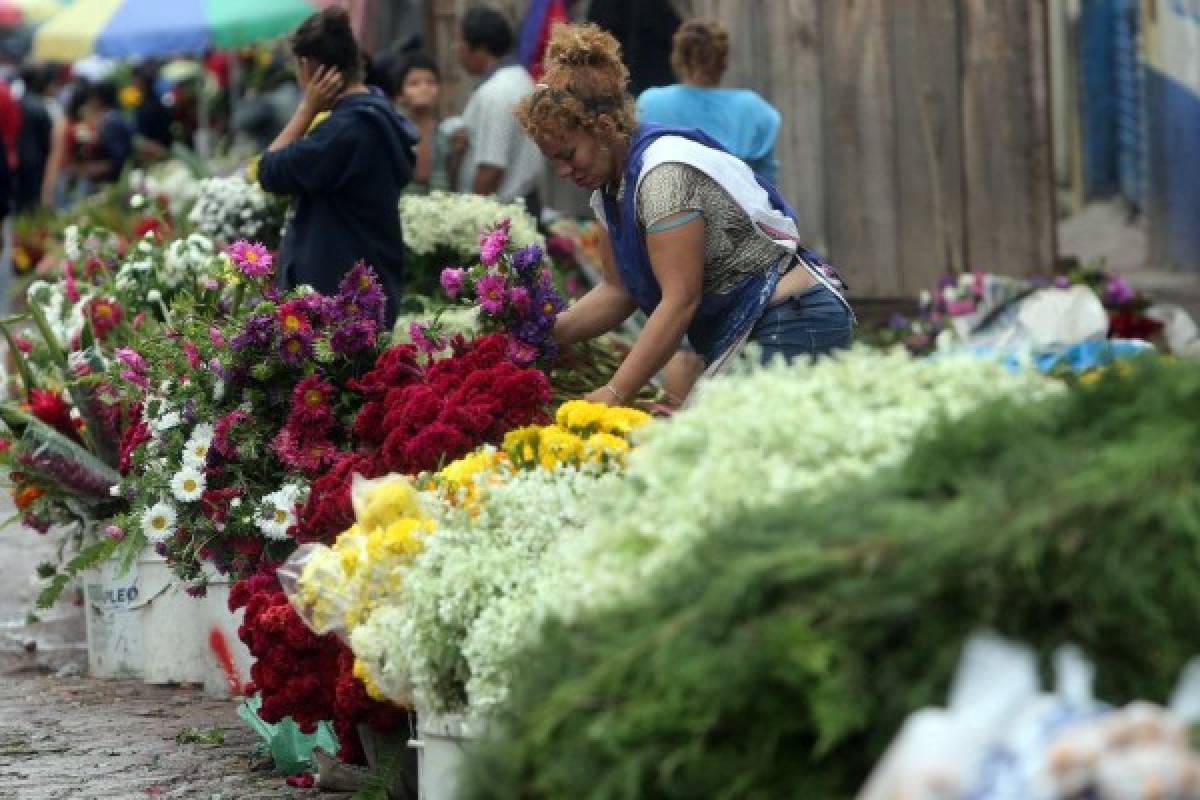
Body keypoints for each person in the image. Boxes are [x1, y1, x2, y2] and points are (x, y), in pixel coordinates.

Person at [515, 24, 853, 407]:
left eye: (568, 154)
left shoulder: (664, 178)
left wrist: (614, 393)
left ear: (605, 129)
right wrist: (536, 335)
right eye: (553, 160)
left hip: (792, 319)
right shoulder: (609, 191)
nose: (562, 171)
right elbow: (617, 290)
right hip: (758, 323)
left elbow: (680, 300)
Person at [257, 7, 417, 326]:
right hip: (367, 284)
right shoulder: (380, 115)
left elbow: (269, 170)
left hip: (338, 299)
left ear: (312, 70)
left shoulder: (344, 130)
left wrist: (306, 109)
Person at [638, 19, 781, 185]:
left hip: (669, 207)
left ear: (677, 59)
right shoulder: (754, 109)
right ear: (723, 62)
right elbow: (768, 187)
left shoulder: (651, 104)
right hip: (737, 209)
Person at [455, 6, 544, 211]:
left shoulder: (496, 92)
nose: (458, 50)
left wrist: (470, 216)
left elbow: (491, 167)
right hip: (522, 202)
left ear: (480, 48)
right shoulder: (521, 79)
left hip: (502, 212)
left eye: (461, 43)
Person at [391, 52, 449, 194]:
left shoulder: (443, 130)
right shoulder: (395, 129)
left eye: (431, 82)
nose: (424, 88)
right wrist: (422, 120)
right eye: (414, 84)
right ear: (400, 95)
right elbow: (422, 175)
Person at [14, 63, 58, 213]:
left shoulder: (16, 103)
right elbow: (48, 139)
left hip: (18, 159)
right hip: (36, 160)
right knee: (32, 203)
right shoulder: (42, 107)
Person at [77, 80, 133, 185]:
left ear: (99, 99)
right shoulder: (112, 118)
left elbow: (118, 159)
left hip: (112, 182)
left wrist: (93, 169)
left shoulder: (112, 122)